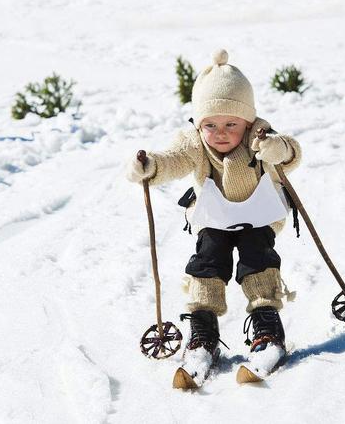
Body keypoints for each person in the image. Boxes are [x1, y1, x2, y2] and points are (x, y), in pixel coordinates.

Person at [126, 49, 302, 366]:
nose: (220, 133)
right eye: (211, 125)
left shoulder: (261, 137)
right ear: (199, 123)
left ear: (247, 121)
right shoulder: (194, 142)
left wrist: (277, 150)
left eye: (231, 124)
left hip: (257, 217)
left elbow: (290, 154)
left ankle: (267, 328)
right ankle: (203, 333)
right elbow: (173, 160)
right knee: (207, 262)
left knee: (257, 260)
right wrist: (150, 167)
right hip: (214, 218)